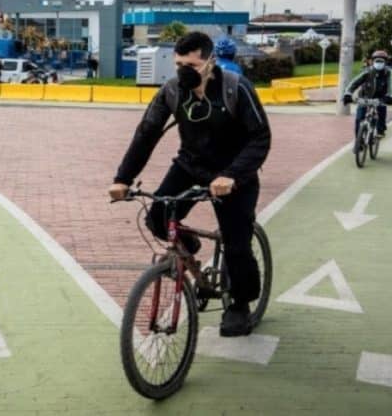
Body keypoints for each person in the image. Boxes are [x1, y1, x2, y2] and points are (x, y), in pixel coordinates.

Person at [108, 32, 271, 337]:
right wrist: (122, 179)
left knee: (237, 244)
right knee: (158, 218)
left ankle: (240, 304)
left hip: (234, 174)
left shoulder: (236, 88)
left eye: (192, 65)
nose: (184, 71)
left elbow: (260, 137)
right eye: (179, 64)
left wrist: (232, 175)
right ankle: (189, 248)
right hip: (191, 166)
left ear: (210, 62)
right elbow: (147, 133)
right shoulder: (172, 91)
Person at [342, 50, 392, 142]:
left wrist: (390, 97)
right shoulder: (367, 71)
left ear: (385, 62)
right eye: (377, 61)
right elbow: (354, 82)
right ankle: (358, 141)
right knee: (359, 119)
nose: (379, 63)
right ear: (372, 61)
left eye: (381, 61)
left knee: (381, 111)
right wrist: (347, 94)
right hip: (364, 98)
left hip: (381, 98)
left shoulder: (389, 72)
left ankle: (380, 131)